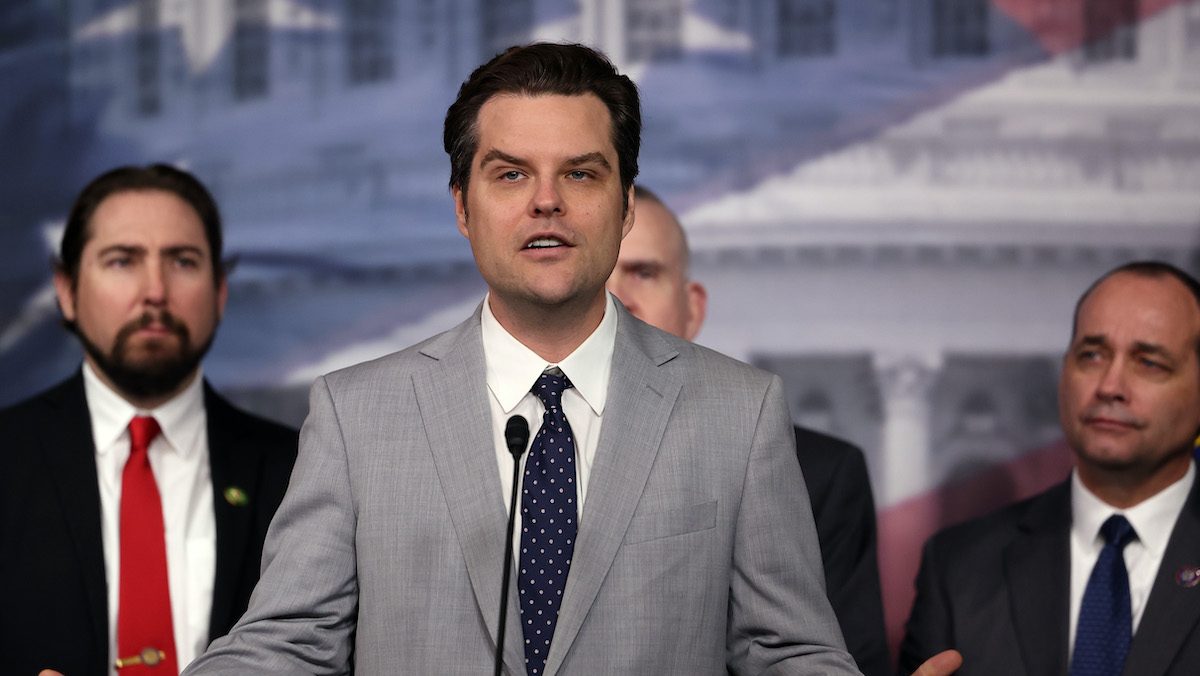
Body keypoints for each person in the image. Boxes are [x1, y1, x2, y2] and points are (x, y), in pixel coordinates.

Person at [0, 164, 298, 676]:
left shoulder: (301, 470)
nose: (155, 291)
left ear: (221, 291)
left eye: (183, 262)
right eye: (122, 261)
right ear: (66, 290)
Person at [606, 185, 890, 676]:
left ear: (693, 308)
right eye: (597, 275)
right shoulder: (513, 443)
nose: (616, 298)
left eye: (644, 272)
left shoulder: (819, 475)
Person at [900, 261, 1200, 675]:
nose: (1110, 386)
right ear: (1064, 373)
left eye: (1149, 362)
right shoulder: (959, 567)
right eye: (1091, 355)